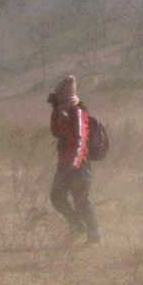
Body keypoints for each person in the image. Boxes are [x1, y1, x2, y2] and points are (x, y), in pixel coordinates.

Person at [47, 74, 100, 243]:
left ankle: (94, 236)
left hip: (78, 164)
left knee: (81, 201)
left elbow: (81, 140)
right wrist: (57, 111)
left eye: (60, 92)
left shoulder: (77, 111)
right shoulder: (62, 111)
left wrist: (74, 164)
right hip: (65, 163)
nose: (57, 95)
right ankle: (77, 226)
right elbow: (55, 132)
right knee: (57, 197)